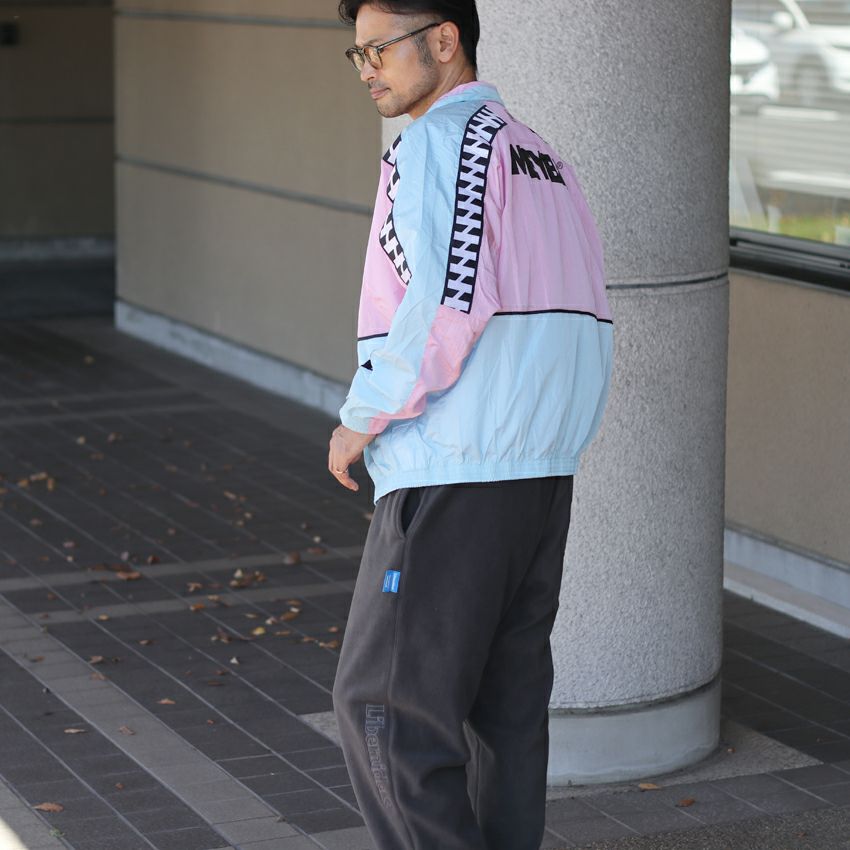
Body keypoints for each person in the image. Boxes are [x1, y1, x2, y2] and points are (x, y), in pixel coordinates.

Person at [328, 2, 614, 848]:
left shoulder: (441, 142)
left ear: (444, 40)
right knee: (504, 716)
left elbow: (446, 301)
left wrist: (363, 415)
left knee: (385, 711)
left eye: (380, 49)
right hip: (537, 474)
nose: (367, 69)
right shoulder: (542, 158)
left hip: (458, 467)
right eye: (357, 53)